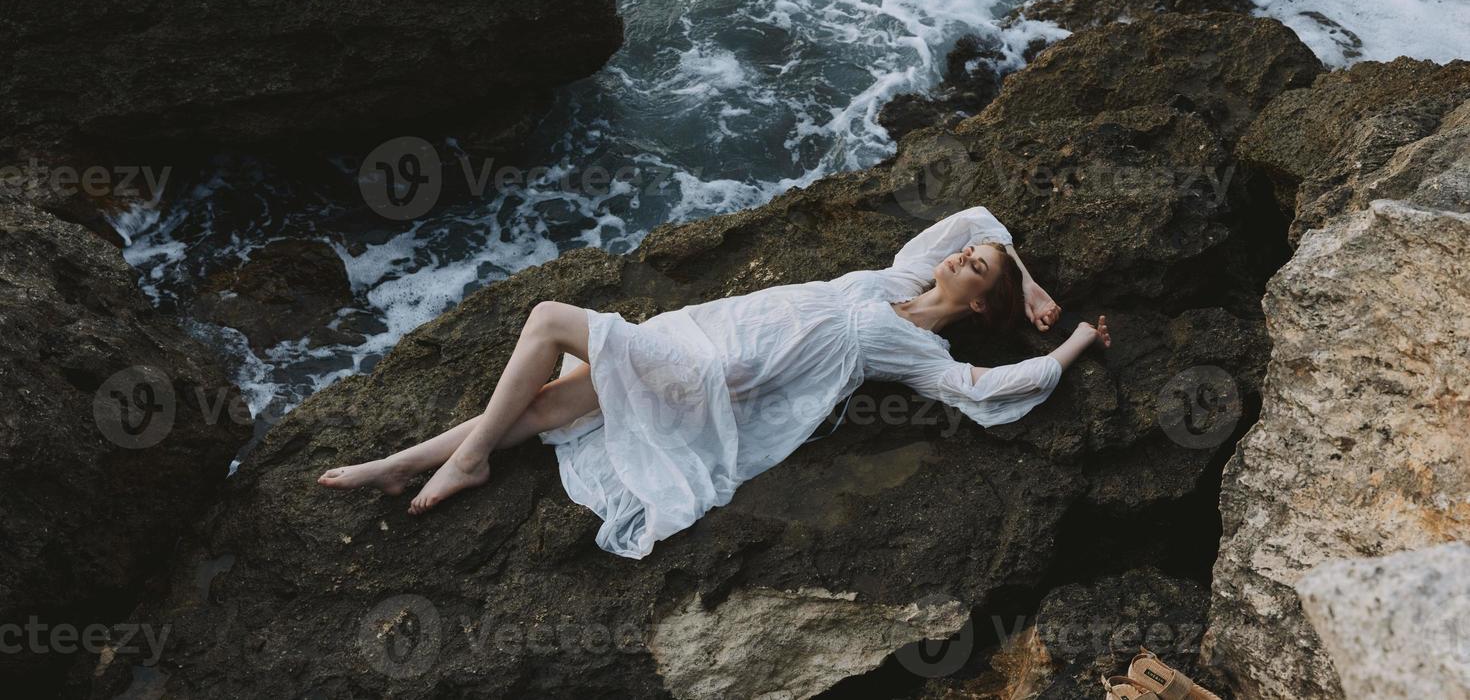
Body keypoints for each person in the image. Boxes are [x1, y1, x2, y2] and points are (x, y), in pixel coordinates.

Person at [319, 205, 1111, 559]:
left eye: (975, 270)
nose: (961, 257)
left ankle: (463, 462)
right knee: (548, 404)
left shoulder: (919, 350)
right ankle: (409, 462)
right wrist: (1030, 281)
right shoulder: (900, 276)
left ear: (979, 302)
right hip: (700, 327)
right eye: (964, 257)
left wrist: (1073, 340)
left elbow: (993, 387)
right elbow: (979, 215)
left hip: (713, 370)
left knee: (551, 317)